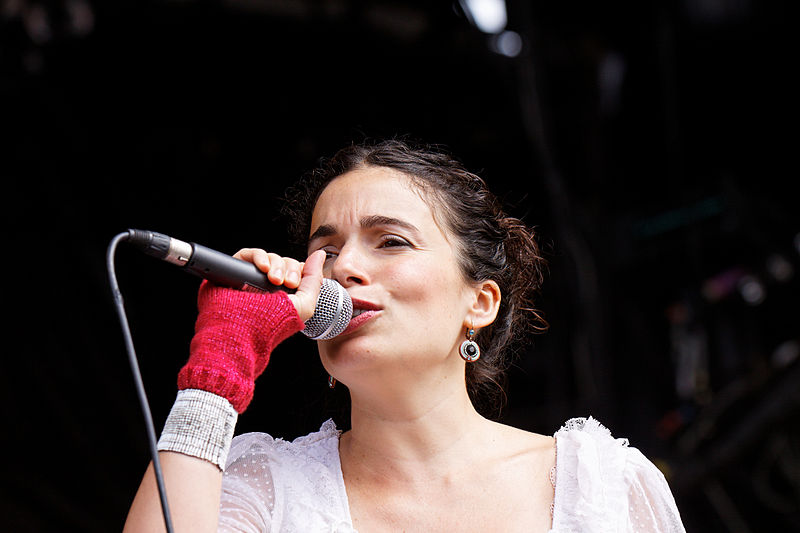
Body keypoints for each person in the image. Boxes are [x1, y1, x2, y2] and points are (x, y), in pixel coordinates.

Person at [124, 139, 686, 532]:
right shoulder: (262, 487)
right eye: (326, 249)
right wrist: (217, 372)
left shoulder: (601, 486)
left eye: (391, 241)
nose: (344, 267)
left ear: (479, 302)